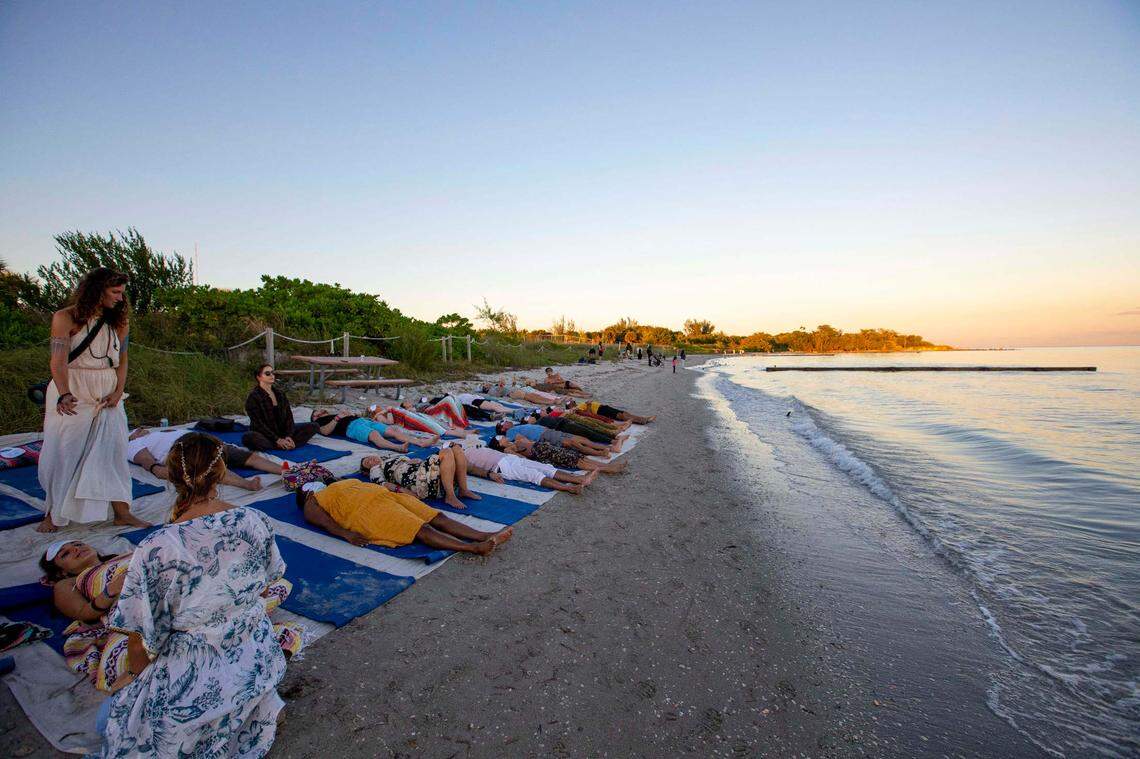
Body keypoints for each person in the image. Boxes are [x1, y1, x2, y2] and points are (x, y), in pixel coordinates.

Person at [97, 433, 300, 756]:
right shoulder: (254, 521)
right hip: (256, 656)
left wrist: (133, 676)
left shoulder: (157, 547)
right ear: (221, 473)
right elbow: (263, 585)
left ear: (172, 476)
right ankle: (254, 710)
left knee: (106, 719)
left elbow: (142, 634)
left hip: (197, 673)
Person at [40, 537, 300, 694]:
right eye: (66, 554)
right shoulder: (70, 584)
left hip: (179, 590)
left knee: (270, 583)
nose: (75, 549)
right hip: (141, 611)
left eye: (76, 544)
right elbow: (84, 614)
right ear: (60, 571)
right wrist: (112, 589)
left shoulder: (127, 554)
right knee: (132, 662)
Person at [37, 268, 149, 533]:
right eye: (115, 292)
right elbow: (58, 360)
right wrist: (64, 392)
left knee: (114, 451)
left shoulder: (119, 322)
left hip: (108, 389)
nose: (121, 299)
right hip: (74, 388)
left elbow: (122, 360)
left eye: (122, 293)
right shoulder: (65, 317)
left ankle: (122, 512)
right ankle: (53, 515)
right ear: (97, 290)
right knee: (65, 452)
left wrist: (119, 391)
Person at [298, 478, 512, 555]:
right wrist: (346, 534)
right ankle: (472, 548)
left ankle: (483, 535)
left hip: (386, 497)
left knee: (436, 517)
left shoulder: (336, 483)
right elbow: (323, 521)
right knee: (420, 529)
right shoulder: (312, 500)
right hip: (367, 511)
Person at [127, 427, 276, 491]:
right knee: (211, 466)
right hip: (185, 448)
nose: (142, 429)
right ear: (132, 435)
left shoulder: (154, 434)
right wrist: (163, 470)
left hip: (201, 439)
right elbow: (149, 463)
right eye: (138, 430)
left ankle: (285, 470)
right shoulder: (133, 444)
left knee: (244, 456)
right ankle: (246, 484)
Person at [360, 443, 481, 511]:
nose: (370, 460)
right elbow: (383, 485)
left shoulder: (388, 458)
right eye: (367, 463)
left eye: (369, 457)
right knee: (447, 451)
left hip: (427, 474)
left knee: (456, 449)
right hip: (420, 482)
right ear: (368, 470)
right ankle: (450, 496)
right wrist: (403, 491)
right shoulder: (375, 470)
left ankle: (463, 489)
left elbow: (407, 462)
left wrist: (411, 461)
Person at [467, 442, 597, 494]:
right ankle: (570, 488)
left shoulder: (468, 448)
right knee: (534, 475)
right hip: (501, 467)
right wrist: (489, 474)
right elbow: (471, 469)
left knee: (545, 468)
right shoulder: (460, 459)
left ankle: (579, 479)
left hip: (509, 458)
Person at [243, 364, 320, 452]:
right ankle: (280, 444)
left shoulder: (280, 394)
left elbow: (289, 417)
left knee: (314, 426)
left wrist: (288, 436)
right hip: (266, 434)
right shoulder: (254, 397)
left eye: (272, 373)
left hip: (282, 432)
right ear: (259, 377)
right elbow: (258, 424)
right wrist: (277, 439)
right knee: (249, 437)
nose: (272, 375)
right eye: (267, 373)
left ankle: (287, 443)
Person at [503, 434, 628, 475]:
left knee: (580, 457)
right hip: (543, 453)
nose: (503, 438)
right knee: (577, 462)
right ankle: (608, 469)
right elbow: (523, 458)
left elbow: (530, 441)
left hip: (546, 447)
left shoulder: (517, 439)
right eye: (500, 439)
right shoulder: (509, 449)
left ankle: (608, 466)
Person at [309, 408, 426, 450]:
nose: (320, 410)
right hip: (351, 427)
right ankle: (397, 447)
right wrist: (338, 418)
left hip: (362, 421)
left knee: (393, 431)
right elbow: (325, 431)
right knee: (374, 434)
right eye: (316, 412)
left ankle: (419, 442)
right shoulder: (318, 422)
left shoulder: (330, 414)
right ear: (315, 417)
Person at [495, 420, 616, 456]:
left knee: (578, 439)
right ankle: (600, 453)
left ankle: (605, 447)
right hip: (543, 436)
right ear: (502, 429)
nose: (506, 421)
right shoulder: (510, 432)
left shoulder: (518, 426)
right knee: (573, 442)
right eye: (503, 423)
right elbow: (518, 439)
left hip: (549, 432)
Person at [573, 399, 655, 425]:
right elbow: (590, 414)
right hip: (600, 411)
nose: (570, 401)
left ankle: (642, 418)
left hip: (603, 407)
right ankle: (643, 421)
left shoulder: (580, 403)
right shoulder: (578, 408)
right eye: (569, 403)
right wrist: (589, 405)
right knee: (620, 416)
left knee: (624, 413)